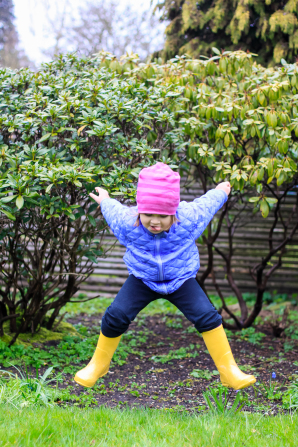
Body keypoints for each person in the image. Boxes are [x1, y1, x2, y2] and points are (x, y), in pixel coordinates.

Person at [74, 162, 256, 390]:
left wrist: (221, 190)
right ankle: (98, 365)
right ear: (140, 210)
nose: (155, 222)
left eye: (163, 215)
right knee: (116, 315)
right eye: (148, 214)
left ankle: (229, 371)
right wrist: (105, 200)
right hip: (143, 279)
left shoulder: (188, 219)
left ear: (174, 212)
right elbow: (113, 211)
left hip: (181, 279)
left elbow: (207, 205)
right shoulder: (129, 223)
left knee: (208, 317)